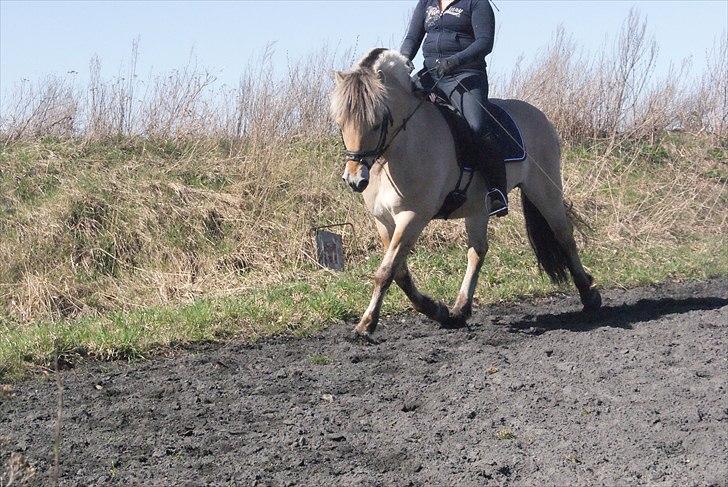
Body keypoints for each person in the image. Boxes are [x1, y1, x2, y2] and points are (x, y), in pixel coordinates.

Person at [400, 0, 508, 217]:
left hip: (465, 75)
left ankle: (497, 191)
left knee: (476, 126)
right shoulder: (426, 3)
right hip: (431, 73)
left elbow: (485, 42)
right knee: (398, 109)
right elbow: (413, 37)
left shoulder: (477, 3)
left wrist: (455, 60)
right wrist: (403, 58)